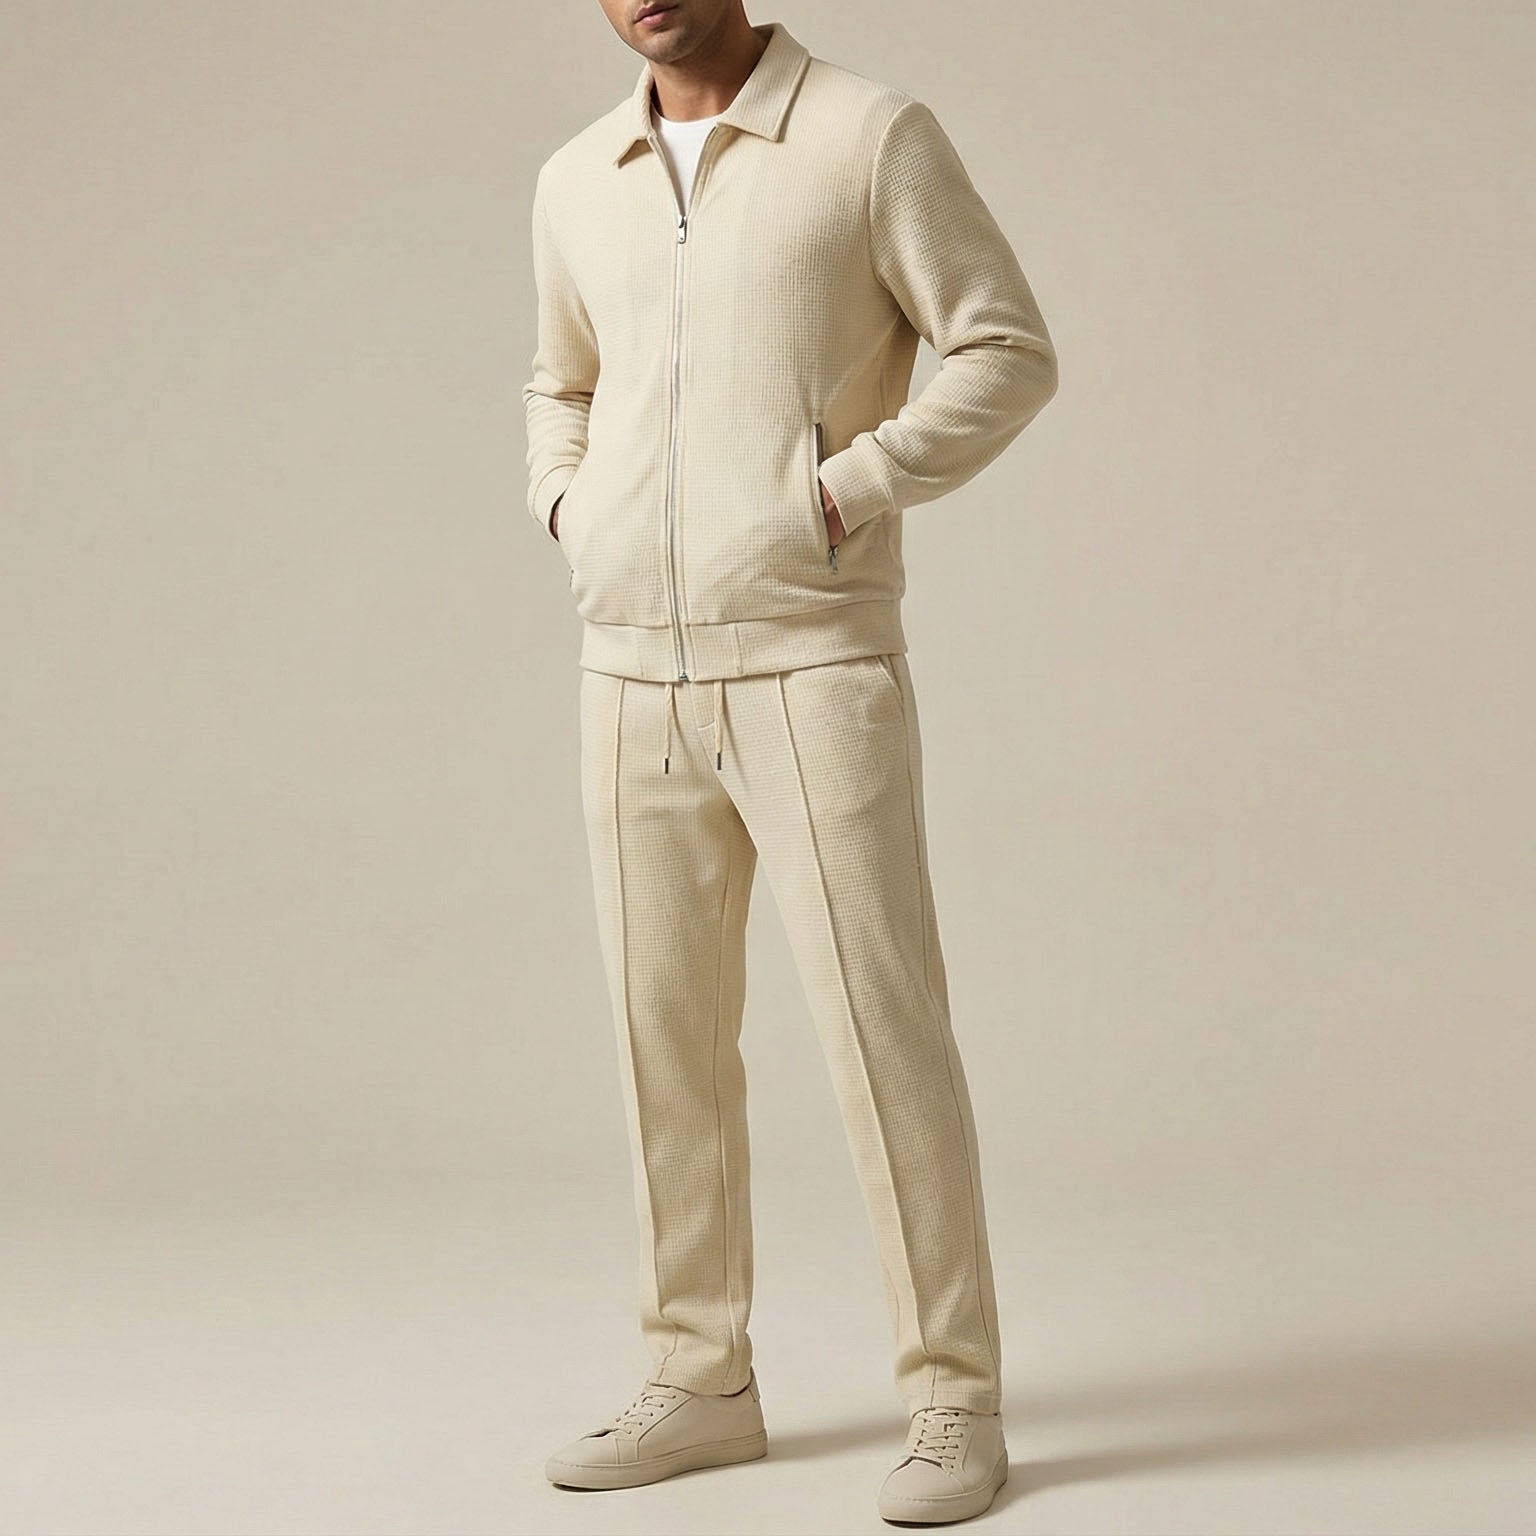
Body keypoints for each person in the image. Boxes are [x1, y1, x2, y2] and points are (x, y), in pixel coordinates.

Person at [521, 2, 1057, 1523]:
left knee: (886, 1032)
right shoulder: (577, 177)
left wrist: (847, 488)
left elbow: (1005, 348)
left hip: (814, 659)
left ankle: (953, 1398)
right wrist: (571, 508)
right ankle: (699, 1378)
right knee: (664, 1043)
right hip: (629, 668)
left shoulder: (868, 136)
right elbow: (558, 381)